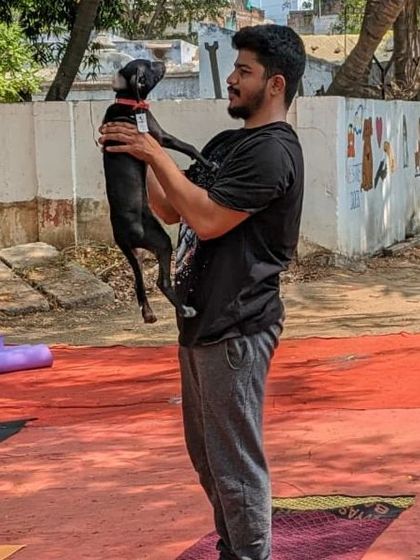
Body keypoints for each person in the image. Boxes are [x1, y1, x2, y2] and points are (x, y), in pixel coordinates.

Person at [99, 24, 306, 560]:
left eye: (244, 71)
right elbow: (171, 209)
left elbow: (210, 220)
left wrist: (156, 153)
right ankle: (232, 547)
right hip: (202, 320)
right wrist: (135, 147)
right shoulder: (227, 144)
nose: (231, 80)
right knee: (208, 457)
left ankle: (249, 554)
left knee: (234, 463)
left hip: (238, 325)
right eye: (234, 68)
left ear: (276, 84)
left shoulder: (272, 153)